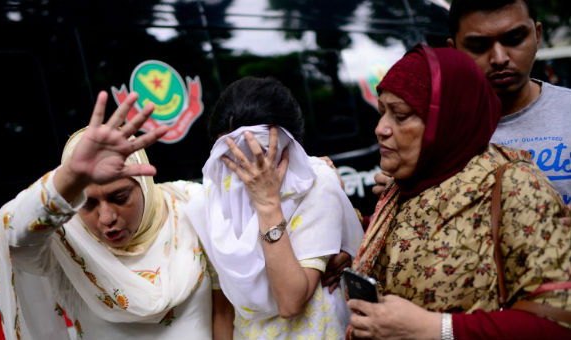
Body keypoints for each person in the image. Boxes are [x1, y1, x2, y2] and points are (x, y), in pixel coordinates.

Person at [347, 45, 570, 339]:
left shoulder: (513, 185)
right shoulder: (405, 187)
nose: (381, 128)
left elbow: (558, 322)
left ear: (448, 119)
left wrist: (436, 328)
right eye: (382, 112)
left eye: (400, 115)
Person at [0, 91, 213, 339]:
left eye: (120, 198)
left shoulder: (187, 205)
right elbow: (12, 238)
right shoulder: (66, 240)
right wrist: (69, 177)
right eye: (86, 203)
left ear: (144, 184)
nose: (106, 218)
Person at [184, 76, 364, 340]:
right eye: (233, 155)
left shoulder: (314, 183)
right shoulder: (212, 197)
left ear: (287, 145)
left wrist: (267, 205)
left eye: (259, 153)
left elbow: (291, 302)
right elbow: (223, 308)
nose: (247, 169)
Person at [375, 0, 570, 208]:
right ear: (454, 50)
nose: (499, 58)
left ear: (537, 35)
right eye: (479, 46)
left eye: (514, 39)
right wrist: (404, 195)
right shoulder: (435, 133)